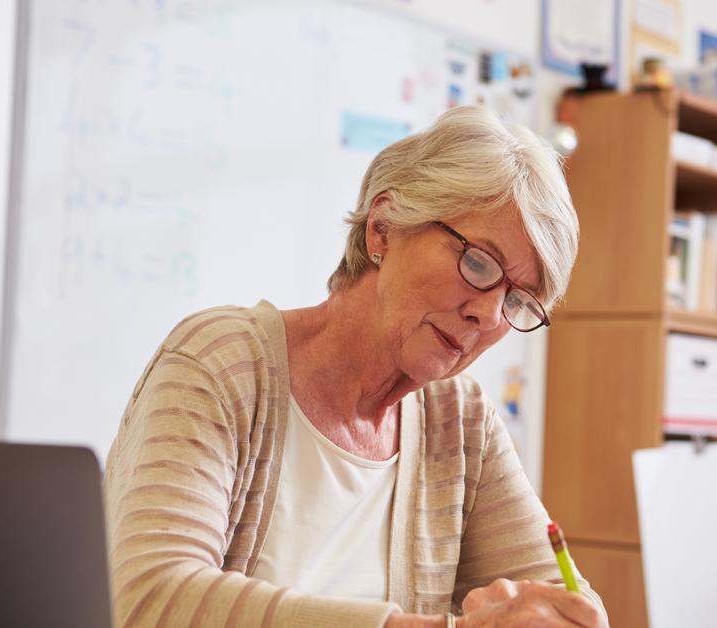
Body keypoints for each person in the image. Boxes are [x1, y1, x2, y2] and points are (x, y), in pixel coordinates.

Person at [104, 106, 608, 627]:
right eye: (478, 262)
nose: (487, 312)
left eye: (518, 301)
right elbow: (151, 598)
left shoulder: (460, 421)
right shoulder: (220, 361)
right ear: (383, 228)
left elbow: (558, 597)